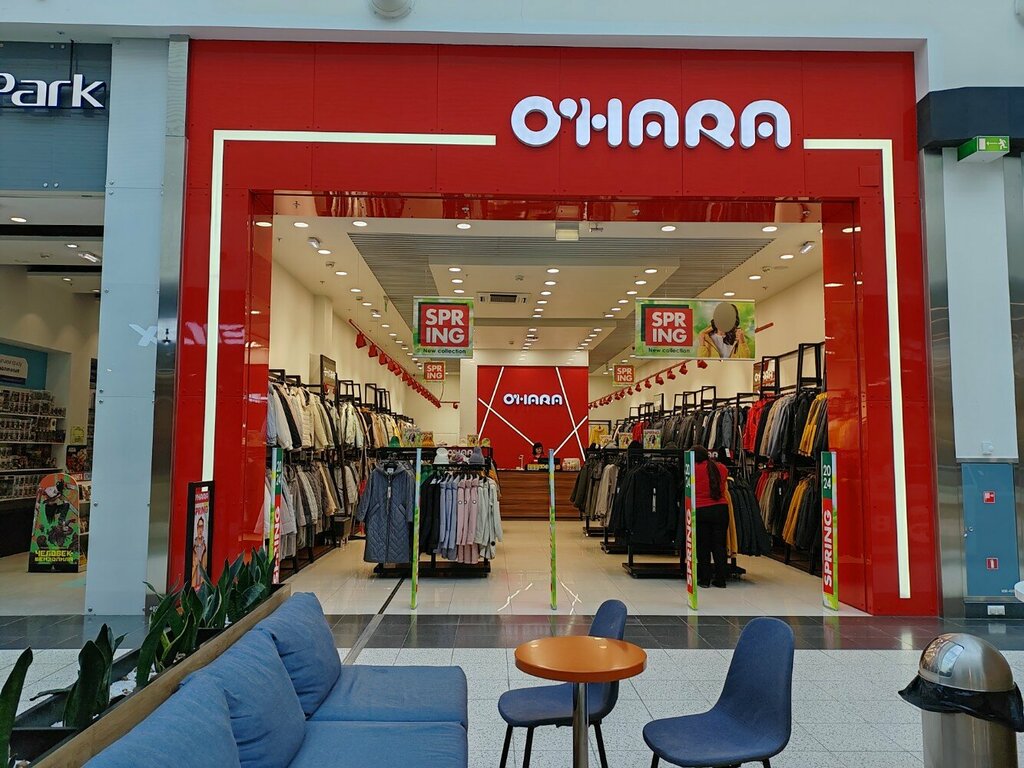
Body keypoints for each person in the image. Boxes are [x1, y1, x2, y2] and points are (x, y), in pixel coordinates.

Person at [692, 445, 730, 588]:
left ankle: (705, 579)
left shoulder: (693, 469)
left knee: (703, 546)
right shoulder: (721, 468)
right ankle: (721, 579)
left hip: (701, 509)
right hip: (721, 509)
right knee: (719, 546)